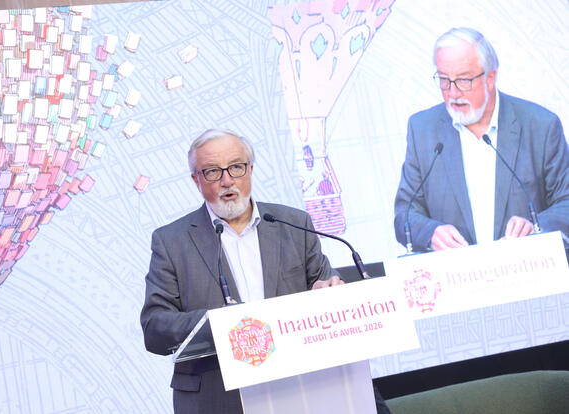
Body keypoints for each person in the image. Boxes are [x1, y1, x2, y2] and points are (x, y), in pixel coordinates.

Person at [141, 129, 390, 413]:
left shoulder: (293, 224)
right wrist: (221, 324)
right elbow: (155, 327)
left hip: (300, 389)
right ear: (196, 180)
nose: (227, 180)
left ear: (250, 169)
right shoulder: (171, 241)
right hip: (219, 396)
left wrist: (331, 293)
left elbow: (325, 285)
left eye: (236, 167)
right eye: (212, 172)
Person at [394, 27, 569, 252]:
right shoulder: (423, 130)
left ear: (490, 78)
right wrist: (431, 233)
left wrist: (536, 228)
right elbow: (405, 214)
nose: (453, 92)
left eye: (464, 80)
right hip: (456, 272)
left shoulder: (540, 126)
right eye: (444, 80)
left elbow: (566, 202)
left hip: (527, 267)